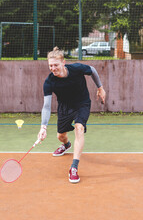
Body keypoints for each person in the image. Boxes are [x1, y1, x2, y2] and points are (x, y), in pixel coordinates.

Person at [37, 47, 106, 183]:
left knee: (79, 128)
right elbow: (46, 106)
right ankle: (66, 144)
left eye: (56, 65)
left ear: (63, 63)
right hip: (65, 107)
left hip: (82, 103)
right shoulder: (49, 82)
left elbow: (92, 70)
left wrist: (100, 87)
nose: (53, 68)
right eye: (50, 65)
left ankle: (74, 167)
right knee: (60, 136)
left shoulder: (76, 69)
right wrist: (43, 127)